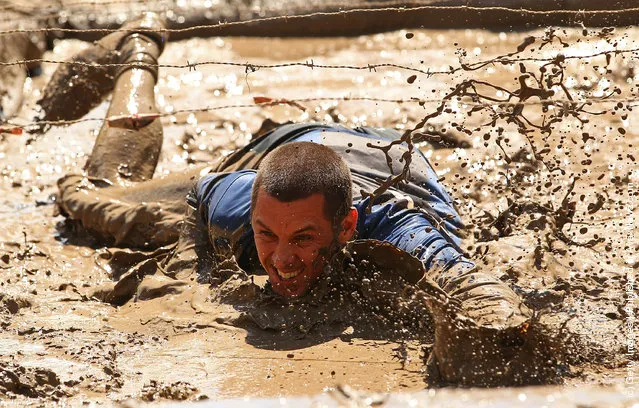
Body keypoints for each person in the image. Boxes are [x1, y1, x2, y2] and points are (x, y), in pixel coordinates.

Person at [46, 13, 558, 386]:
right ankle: (141, 42)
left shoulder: (398, 229)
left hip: (379, 154)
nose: (283, 261)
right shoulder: (235, 203)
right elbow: (201, 196)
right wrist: (197, 270)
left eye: (305, 238)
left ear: (347, 226)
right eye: (268, 235)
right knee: (93, 197)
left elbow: (471, 286)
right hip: (284, 149)